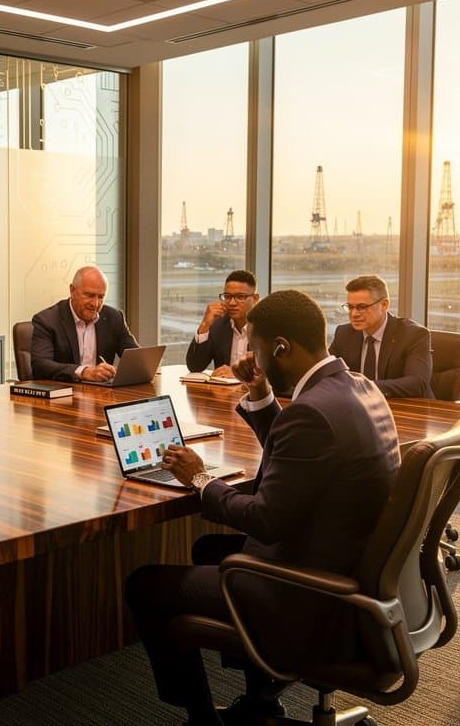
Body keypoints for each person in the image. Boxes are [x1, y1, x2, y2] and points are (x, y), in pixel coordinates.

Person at [125, 289, 399, 726]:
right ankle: (260, 700)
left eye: (255, 346)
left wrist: (200, 479)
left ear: (281, 347)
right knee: (210, 550)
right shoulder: (356, 387)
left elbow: (265, 520)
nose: (250, 355)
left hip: (312, 595)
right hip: (352, 569)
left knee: (145, 585)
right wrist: (261, 391)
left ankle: (202, 720)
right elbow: (299, 457)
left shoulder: (312, 413)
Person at [329, 274, 433, 398]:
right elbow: (326, 374)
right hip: (358, 406)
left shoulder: (414, 335)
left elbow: (417, 384)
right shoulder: (344, 333)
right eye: (350, 307)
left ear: (384, 305)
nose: (354, 314)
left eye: (362, 307)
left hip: (405, 406)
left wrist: (362, 387)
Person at [30, 265, 138, 382]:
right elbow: (40, 365)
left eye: (101, 297)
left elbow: (136, 358)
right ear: (72, 290)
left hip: (102, 391)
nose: (95, 304)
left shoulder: (114, 317)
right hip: (65, 389)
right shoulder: (47, 320)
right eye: (89, 295)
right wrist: (83, 372)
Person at [186, 269, 259, 376]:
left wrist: (237, 375)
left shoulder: (266, 327)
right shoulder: (218, 325)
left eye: (240, 297)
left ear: (255, 298)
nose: (232, 303)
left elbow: (273, 373)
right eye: (227, 296)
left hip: (255, 387)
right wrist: (205, 325)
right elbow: (195, 366)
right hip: (222, 386)